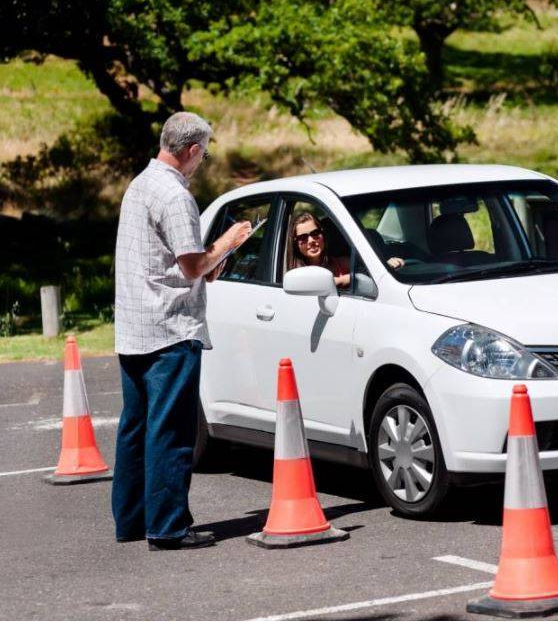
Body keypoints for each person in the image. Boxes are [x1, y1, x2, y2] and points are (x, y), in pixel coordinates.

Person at [113, 112, 252, 551]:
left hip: (134, 324)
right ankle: (168, 526)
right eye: (204, 153)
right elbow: (192, 264)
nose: (203, 160)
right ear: (192, 151)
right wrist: (228, 242)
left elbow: (173, 261)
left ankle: (132, 519)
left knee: (135, 427)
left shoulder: (140, 184)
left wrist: (209, 262)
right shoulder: (176, 197)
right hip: (169, 327)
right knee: (171, 432)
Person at [286, 211, 404, 288]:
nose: (311, 240)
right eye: (303, 237)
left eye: (315, 233)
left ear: (323, 234)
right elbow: (330, 283)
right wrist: (346, 279)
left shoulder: (339, 262)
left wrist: (385, 264)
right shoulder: (297, 275)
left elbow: (371, 268)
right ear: (295, 243)